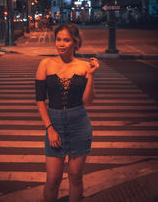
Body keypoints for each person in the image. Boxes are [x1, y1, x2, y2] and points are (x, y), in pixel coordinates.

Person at [35, 23, 99, 202]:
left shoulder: (85, 67)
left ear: (75, 43)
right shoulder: (45, 64)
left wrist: (92, 75)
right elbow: (40, 100)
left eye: (66, 40)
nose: (61, 44)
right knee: (52, 179)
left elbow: (87, 101)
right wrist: (50, 129)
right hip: (54, 124)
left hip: (79, 124)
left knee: (76, 177)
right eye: (58, 39)